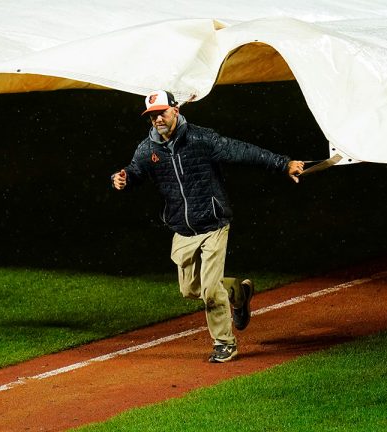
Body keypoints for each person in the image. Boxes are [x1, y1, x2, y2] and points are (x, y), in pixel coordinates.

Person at [111, 90, 304, 363]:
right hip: (182, 230)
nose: (157, 120)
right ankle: (240, 292)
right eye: (152, 116)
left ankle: (225, 344)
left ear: (176, 111)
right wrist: (123, 179)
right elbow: (134, 171)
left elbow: (241, 150)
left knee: (211, 291)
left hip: (213, 224)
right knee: (190, 290)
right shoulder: (148, 149)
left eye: (162, 113)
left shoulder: (201, 139)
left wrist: (282, 164)